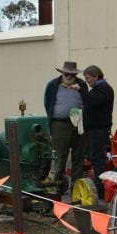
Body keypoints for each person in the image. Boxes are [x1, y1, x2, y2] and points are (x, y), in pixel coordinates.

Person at [43, 60, 88, 191]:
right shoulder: (52, 85)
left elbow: (87, 101)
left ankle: (77, 186)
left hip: (78, 122)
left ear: (76, 76)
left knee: (79, 156)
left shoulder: (82, 85)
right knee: (60, 156)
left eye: (72, 75)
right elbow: (48, 104)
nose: (69, 77)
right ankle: (58, 186)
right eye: (66, 74)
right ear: (62, 73)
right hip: (60, 124)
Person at [80, 65, 115, 196]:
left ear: (96, 76)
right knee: (95, 157)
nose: (87, 81)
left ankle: (100, 189)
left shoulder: (103, 89)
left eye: (88, 78)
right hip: (94, 129)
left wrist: (82, 90)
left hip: (98, 130)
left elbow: (91, 101)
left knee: (98, 158)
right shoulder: (98, 89)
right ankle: (99, 186)